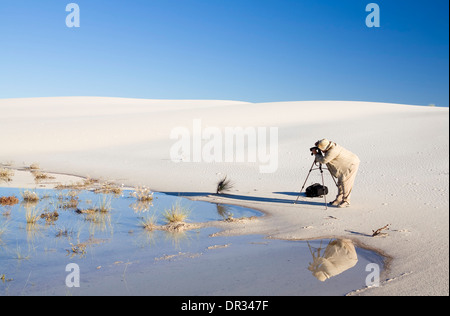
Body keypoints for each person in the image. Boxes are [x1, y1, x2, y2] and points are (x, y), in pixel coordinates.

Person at [311, 139, 360, 208]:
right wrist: (318, 145)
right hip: (344, 165)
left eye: (321, 149)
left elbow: (323, 160)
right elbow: (323, 143)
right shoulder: (330, 144)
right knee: (340, 182)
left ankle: (346, 201)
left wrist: (316, 154)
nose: (321, 151)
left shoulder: (332, 151)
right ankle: (339, 199)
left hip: (351, 164)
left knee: (345, 183)